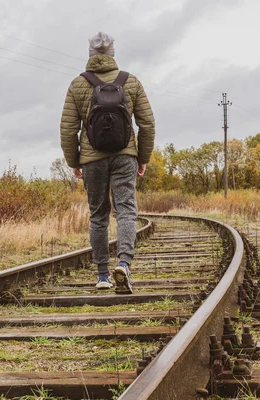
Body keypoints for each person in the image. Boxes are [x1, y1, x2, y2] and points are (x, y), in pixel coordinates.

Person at [60, 32, 155, 293]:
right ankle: (124, 263)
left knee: (98, 215)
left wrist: (74, 161)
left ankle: (102, 275)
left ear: (90, 55)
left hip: (92, 160)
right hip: (125, 155)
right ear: (112, 54)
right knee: (126, 210)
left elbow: (68, 129)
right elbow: (147, 123)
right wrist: (142, 157)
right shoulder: (131, 82)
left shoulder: (77, 85)